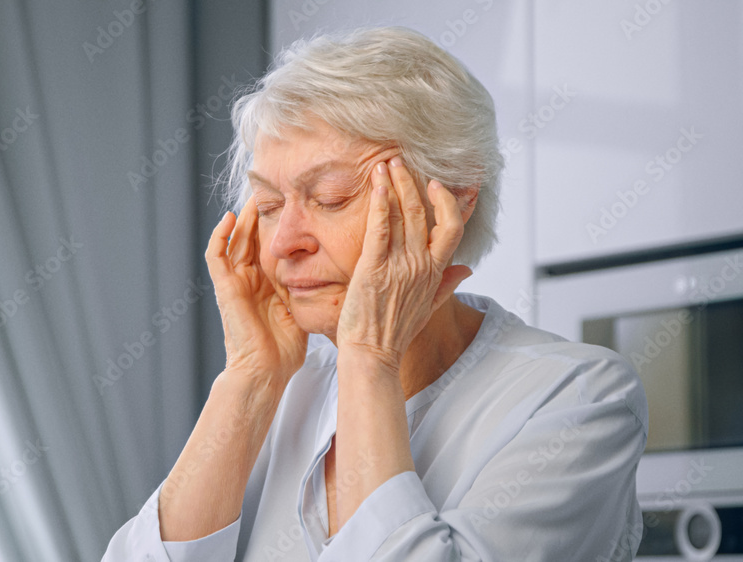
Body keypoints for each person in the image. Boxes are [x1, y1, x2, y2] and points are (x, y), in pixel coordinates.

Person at [103, 26, 647, 561]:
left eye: (332, 198)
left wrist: (370, 357)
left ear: (449, 206)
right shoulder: (283, 391)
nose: (286, 243)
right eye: (269, 207)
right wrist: (248, 378)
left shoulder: (578, 396)